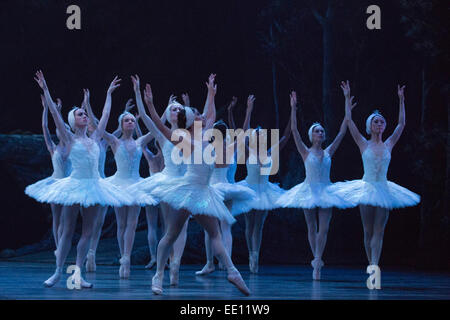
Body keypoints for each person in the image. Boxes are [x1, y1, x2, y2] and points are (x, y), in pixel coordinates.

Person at [133, 73, 250, 295]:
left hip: (203, 192)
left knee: (213, 234)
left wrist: (211, 93)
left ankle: (233, 272)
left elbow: (211, 113)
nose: (202, 117)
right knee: (170, 235)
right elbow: (158, 123)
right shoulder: (182, 139)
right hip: (188, 191)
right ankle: (158, 275)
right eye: (197, 116)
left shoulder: (206, 136)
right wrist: (149, 103)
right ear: (190, 121)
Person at [31, 70, 132, 288]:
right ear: (73, 121)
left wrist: (108, 94)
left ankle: (77, 274)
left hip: (94, 186)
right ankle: (58, 271)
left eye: (85, 114)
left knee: (88, 232)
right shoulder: (67, 138)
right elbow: (56, 118)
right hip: (75, 185)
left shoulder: (95, 137)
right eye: (80, 115)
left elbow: (105, 116)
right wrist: (46, 90)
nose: (84, 116)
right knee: (67, 231)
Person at [330, 81, 420, 274]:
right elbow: (349, 121)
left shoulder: (389, 144)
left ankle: (374, 268)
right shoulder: (363, 143)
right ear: (370, 126)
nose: (379, 124)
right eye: (375, 121)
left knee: (379, 231)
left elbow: (402, 124)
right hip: (366, 187)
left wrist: (401, 100)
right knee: (368, 231)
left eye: (381, 121)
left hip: (384, 189)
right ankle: (370, 263)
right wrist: (346, 98)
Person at [275, 90, 353, 280]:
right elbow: (293, 131)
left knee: (324, 228)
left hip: (326, 189)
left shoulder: (328, 151)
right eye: (317, 131)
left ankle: (317, 260)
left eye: (322, 131)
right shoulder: (305, 151)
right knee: (311, 226)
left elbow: (343, 131)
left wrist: (346, 104)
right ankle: (316, 262)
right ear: (311, 135)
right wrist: (293, 108)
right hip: (308, 189)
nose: (320, 132)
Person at [236, 94, 291, 274]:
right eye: (257, 135)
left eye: (261, 135)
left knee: (258, 225)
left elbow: (286, 136)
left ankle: (255, 255)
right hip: (249, 189)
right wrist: (248, 111)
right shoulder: (248, 150)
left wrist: (293, 112)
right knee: (249, 224)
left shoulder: (270, 152)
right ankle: (251, 254)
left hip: (265, 191)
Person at [25, 95, 72, 252]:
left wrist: (58, 112)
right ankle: (58, 248)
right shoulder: (53, 147)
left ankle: (62, 248)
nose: (61, 129)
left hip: (69, 184)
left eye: (64, 128)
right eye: (60, 128)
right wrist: (46, 108)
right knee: (57, 218)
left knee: (66, 220)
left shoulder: (74, 146)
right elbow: (45, 126)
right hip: (55, 184)